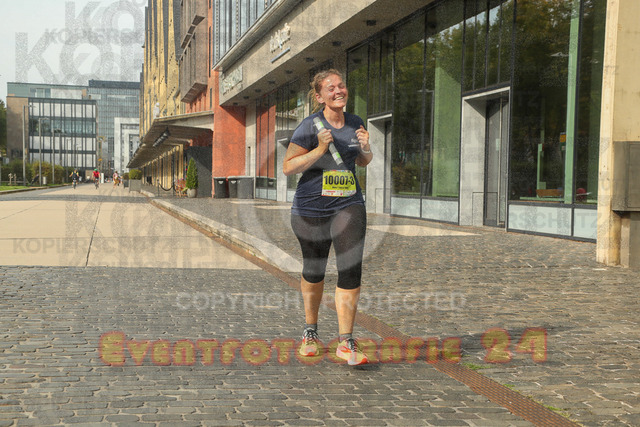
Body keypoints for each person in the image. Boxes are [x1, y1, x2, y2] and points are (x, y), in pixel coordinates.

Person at [283, 69, 373, 366]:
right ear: (319, 96)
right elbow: (288, 167)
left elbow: (362, 161)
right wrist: (320, 148)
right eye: (330, 88)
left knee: (351, 268)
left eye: (341, 85)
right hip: (311, 208)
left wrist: (366, 148)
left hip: (348, 204)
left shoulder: (356, 122)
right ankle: (310, 333)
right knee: (314, 269)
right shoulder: (309, 126)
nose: (338, 91)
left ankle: (346, 341)